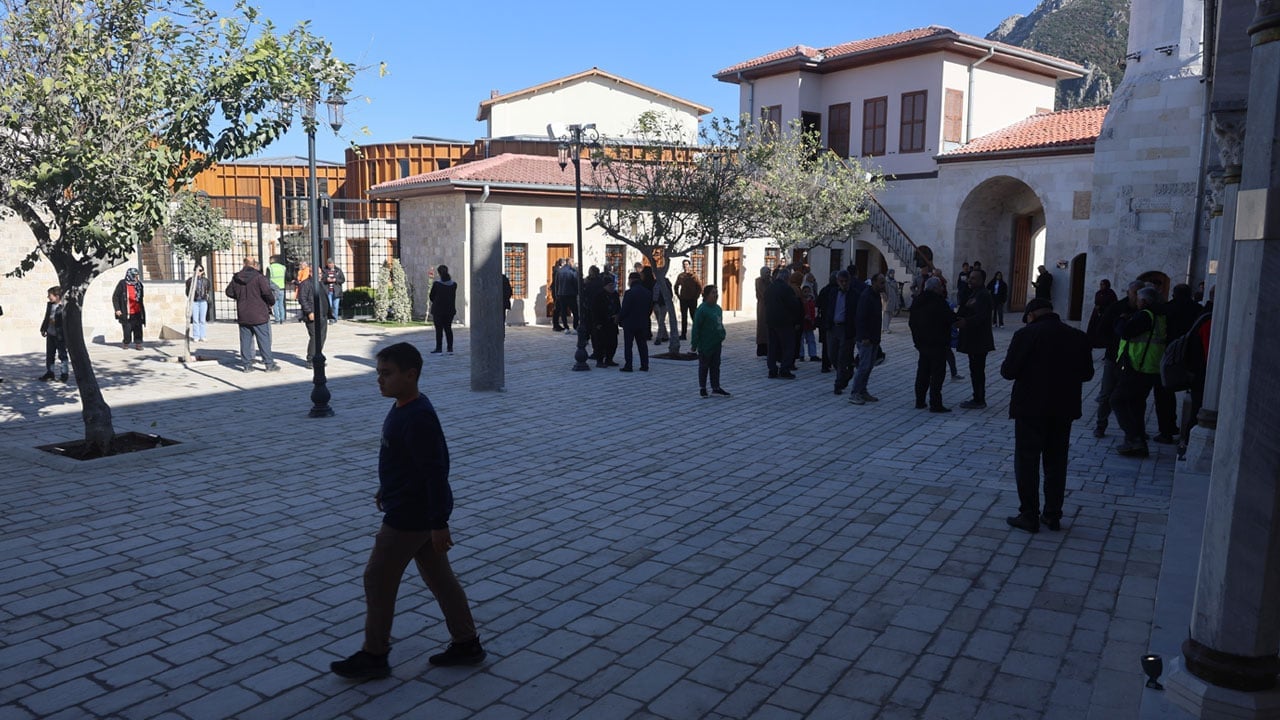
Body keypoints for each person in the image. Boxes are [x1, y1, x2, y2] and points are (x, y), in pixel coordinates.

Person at [330, 342, 485, 681]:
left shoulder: (418, 417)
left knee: (377, 578)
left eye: (387, 374)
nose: (379, 380)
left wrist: (439, 522)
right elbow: (403, 461)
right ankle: (467, 643)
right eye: (378, 373)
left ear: (410, 375)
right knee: (439, 578)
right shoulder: (402, 407)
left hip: (410, 517)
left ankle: (374, 654)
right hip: (412, 509)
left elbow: (435, 471)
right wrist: (386, 487)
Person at [1000, 298, 1095, 533]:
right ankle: (1052, 515)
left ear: (1031, 315)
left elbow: (1008, 371)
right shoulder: (1077, 336)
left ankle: (1029, 514)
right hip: (1063, 409)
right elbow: (1087, 374)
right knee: (1056, 462)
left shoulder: (1026, 335)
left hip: (1030, 408)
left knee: (1027, 461)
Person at [1111, 286, 1167, 457]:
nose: (1135, 302)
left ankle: (1134, 438)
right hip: (1150, 367)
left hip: (1137, 366)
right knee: (1136, 405)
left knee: (1117, 400)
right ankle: (1139, 443)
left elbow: (1124, 332)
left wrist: (1121, 320)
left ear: (1143, 301)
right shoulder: (1160, 316)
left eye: (1137, 299)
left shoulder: (1145, 315)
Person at [909, 277, 955, 412]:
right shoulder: (939, 302)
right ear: (935, 288)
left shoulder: (918, 300)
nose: (942, 288)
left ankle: (920, 401)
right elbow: (950, 318)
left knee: (923, 372)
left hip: (922, 344)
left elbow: (912, 322)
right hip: (937, 343)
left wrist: (917, 340)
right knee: (937, 374)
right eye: (940, 286)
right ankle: (935, 403)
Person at [225, 257, 279, 373]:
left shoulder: (236, 278)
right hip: (259, 313)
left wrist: (240, 297)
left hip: (243, 313)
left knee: (245, 340)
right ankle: (269, 364)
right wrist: (271, 302)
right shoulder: (259, 277)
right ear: (254, 265)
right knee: (263, 340)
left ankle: (247, 365)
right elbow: (267, 292)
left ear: (244, 264)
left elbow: (229, 292)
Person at [956, 268, 995, 409]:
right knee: (974, 370)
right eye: (969, 278)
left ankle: (979, 399)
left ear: (981, 280)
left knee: (978, 370)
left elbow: (981, 316)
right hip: (972, 338)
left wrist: (966, 322)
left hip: (979, 340)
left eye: (973, 278)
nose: (969, 280)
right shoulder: (973, 293)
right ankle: (977, 396)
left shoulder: (983, 295)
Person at [849, 273, 887, 404]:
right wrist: (864, 336)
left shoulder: (876, 296)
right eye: (881, 283)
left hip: (874, 337)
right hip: (866, 338)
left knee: (869, 366)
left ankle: (862, 391)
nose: (883, 285)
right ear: (874, 282)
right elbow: (860, 317)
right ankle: (855, 393)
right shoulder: (866, 296)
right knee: (864, 367)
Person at [690, 284, 730, 398]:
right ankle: (702, 388)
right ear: (706, 295)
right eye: (713, 293)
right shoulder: (702, 310)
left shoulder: (718, 309)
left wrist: (722, 334)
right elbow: (696, 328)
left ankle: (716, 388)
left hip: (716, 343)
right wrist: (694, 344)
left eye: (716, 292)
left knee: (715, 366)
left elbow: (719, 323)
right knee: (704, 366)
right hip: (705, 344)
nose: (716, 295)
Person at [765, 266, 802, 379]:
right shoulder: (786, 288)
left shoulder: (770, 287)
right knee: (788, 346)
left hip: (771, 321)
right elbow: (793, 305)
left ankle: (772, 370)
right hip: (784, 322)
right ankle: (784, 369)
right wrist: (796, 319)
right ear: (787, 278)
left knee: (772, 346)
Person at [831, 270, 863, 395]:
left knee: (841, 358)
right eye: (841, 281)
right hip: (834, 327)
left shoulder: (855, 294)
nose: (844, 284)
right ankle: (848, 370)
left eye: (846, 281)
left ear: (849, 281)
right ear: (837, 281)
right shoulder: (833, 292)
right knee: (832, 355)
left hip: (846, 328)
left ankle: (838, 384)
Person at [618, 272, 652, 372]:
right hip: (642, 322)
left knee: (628, 345)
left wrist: (619, 318)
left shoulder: (629, 293)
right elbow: (650, 308)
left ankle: (628, 365)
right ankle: (644, 365)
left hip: (630, 323)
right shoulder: (647, 292)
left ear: (631, 280)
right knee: (642, 345)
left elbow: (625, 309)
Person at [39, 286, 69, 382]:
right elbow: (47, 317)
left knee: (62, 355)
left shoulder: (64, 306)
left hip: (59, 335)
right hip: (50, 333)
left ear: (57, 296)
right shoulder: (50, 305)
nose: (48, 297)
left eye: (50, 295)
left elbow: (66, 321)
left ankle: (64, 374)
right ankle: (50, 373)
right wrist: (43, 328)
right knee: (50, 355)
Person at [112, 268, 146, 350]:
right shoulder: (122, 284)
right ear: (130, 275)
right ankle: (126, 342)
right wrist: (117, 309)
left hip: (137, 311)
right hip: (126, 312)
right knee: (127, 330)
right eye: (135, 276)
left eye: (137, 276)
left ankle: (138, 344)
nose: (137, 277)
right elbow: (115, 297)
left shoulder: (139, 285)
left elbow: (141, 298)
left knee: (138, 329)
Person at [591, 276, 620, 367]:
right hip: (602, 323)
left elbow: (618, 307)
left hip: (612, 322)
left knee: (613, 343)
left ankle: (609, 359)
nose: (612, 287)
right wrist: (597, 323)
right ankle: (600, 360)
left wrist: (618, 316)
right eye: (610, 285)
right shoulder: (599, 295)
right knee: (601, 343)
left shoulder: (615, 295)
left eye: (613, 285)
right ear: (605, 286)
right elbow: (595, 310)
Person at [428, 265, 457, 355]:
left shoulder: (437, 284)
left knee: (439, 330)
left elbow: (431, 296)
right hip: (450, 310)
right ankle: (450, 349)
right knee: (448, 328)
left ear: (439, 273)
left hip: (438, 310)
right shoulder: (454, 284)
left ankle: (439, 348)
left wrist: (437, 302)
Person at [296, 262, 319, 369]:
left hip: (321, 315)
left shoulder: (320, 283)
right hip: (311, 314)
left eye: (321, 273)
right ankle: (311, 359)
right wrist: (309, 312)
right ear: (311, 273)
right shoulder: (305, 284)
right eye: (318, 273)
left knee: (321, 337)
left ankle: (318, 357)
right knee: (314, 336)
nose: (320, 275)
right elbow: (302, 299)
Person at [816, 272, 839, 373]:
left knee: (826, 344)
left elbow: (818, 304)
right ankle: (834, 363)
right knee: (836, 343)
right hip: (833, 321)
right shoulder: (837, 291)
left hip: (824, 320)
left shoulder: (824, 290)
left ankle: (825, 364)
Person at [674, 259, 702, 340]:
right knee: (684, 317)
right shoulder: (681, 276)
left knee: (694, 316)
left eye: (686, 264)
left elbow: (699, 287)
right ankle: (683, 334)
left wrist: (696, 296)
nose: (685, 266)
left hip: (692, 299)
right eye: (684, 264)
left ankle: (698, 333)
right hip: (683, 299)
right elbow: (676, 286)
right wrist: (678, 295)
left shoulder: (694, 275)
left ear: (689, 265)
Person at [186, 265, 211, 343]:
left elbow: (208, 289)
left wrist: (206, 297)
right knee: (195, 320)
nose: (198, 272)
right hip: (194, 301)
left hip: (203, 301)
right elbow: (187, 291)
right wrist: (191, 298)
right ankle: (196, 336)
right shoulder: (190, 281)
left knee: (202, 320)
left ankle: (202, 336)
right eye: (196, 270)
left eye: (200, 270)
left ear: (202, 271)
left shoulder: (206, 281)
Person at [554, 258, 578, 333]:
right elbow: (576, 282)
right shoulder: (572, 271)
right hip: (571, 294)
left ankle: (566, 328)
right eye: (573, 262)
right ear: (570, 262)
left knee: (563, 312)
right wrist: (577, 292)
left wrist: (557, 294)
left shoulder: (559, 271)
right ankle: (575, 327)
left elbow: (556, 283)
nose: (573, 264)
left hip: (561, 294)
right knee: (575, 311)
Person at [754, 265, 771, 357]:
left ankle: (767, 347)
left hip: (769, 307)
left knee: (767, 328)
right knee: (762, 327)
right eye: (767, 273)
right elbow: (764, 293)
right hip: (763, 306)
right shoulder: (759, 281)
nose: (769, 274)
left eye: (769, 272)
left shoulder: (770, 281)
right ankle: (761, 349)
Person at [322, 258, 346, 322]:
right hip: (328, 291)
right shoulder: (324, 270)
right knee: (329, 305)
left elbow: (343, 279)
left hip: (336, 291)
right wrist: (326, 280)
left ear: (333, 263)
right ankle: (330, 318)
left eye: (331, 263)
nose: (330, 265)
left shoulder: (338, 270)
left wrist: (336, 280)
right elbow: (321, 279)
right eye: (329, 264)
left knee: (335, 306)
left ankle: (335, 318)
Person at [800, 286, 819, 362]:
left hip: (810, 324)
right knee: (801, 340)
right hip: (803, 323)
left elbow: (813, 312)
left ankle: (813, 354)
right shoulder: (801, 301)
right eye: (805, 291)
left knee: (811, 339)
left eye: (808, 291)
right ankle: (801, 355)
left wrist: (813, 320)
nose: (807, 293)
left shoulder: (811, 301)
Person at [267, 255, 287, 324]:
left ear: (272, 260)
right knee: (281, 304)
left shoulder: (270, 268)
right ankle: (282, 319)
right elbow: (287, 277)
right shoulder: (283, 267)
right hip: (282, 288)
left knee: (275, 304)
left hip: (274, 289)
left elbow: (267, 279)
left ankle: (277, 319)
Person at [881, 269, 899, 333]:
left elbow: (897, 291)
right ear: (889, 273)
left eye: (893, 273)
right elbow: (881, 290)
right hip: (886, 299)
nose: (893, 274)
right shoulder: (885, 281)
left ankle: (887, 327)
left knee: (890, 314)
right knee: (885, 314)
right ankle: (884, 328)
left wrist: (897, 300)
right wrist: (883, 296)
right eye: (892, 273)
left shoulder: (894, 282)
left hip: (893, 299)